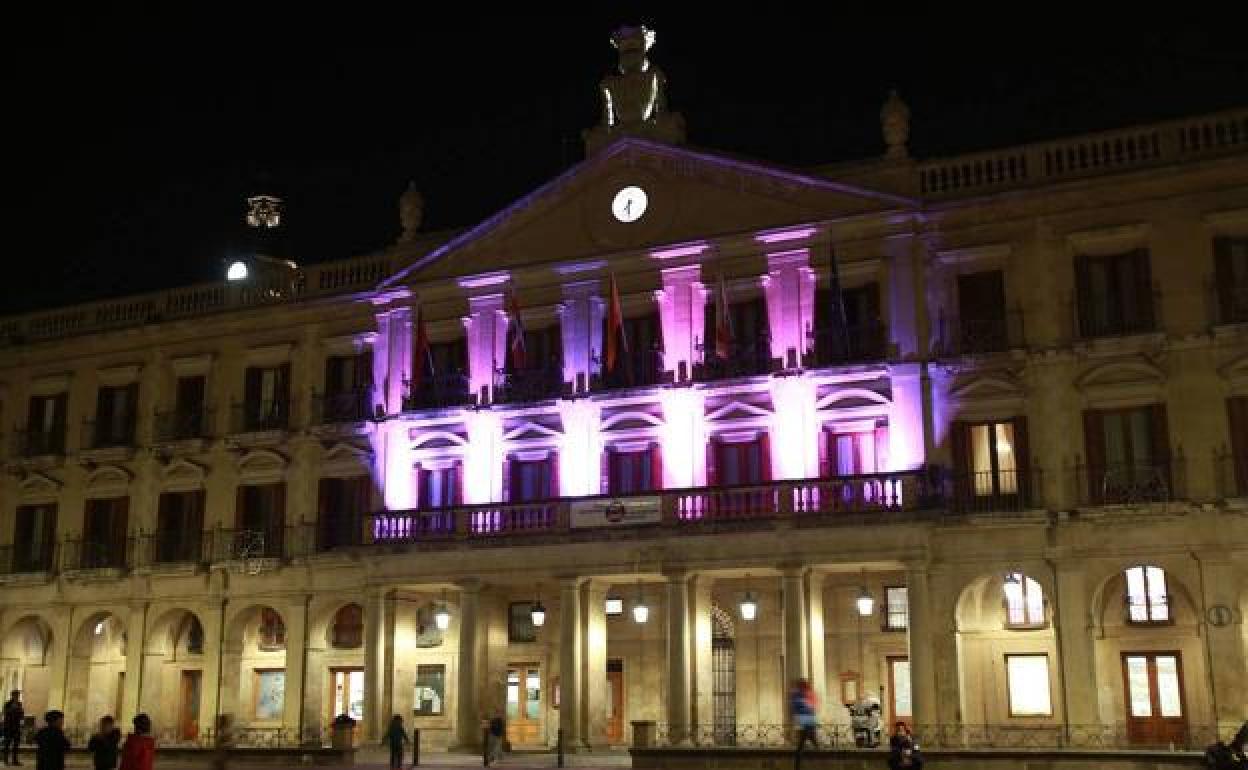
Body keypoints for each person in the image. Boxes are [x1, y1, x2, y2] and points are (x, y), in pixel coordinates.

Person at [789, 678, 817, 751]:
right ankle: (817, 749)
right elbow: (797, 705)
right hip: (804, 718)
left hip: (806, 717)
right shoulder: (797, 693)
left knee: (807, 736)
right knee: (807, 736)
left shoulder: (804, 693)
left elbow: (812, 704)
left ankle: (799, 755)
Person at [2, 691, 23, 766]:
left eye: (18, 695)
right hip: (8, 727)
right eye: (16, 695)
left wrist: (20, 711)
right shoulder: (8, 703)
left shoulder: (19, 704)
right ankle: (6, 760)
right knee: (7, 744)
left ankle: (15, 760)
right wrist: (13, 709)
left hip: (16, 727)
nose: (17, 697)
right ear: (12, 696)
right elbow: (5, 713)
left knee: (16, 745)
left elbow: (21, 715)